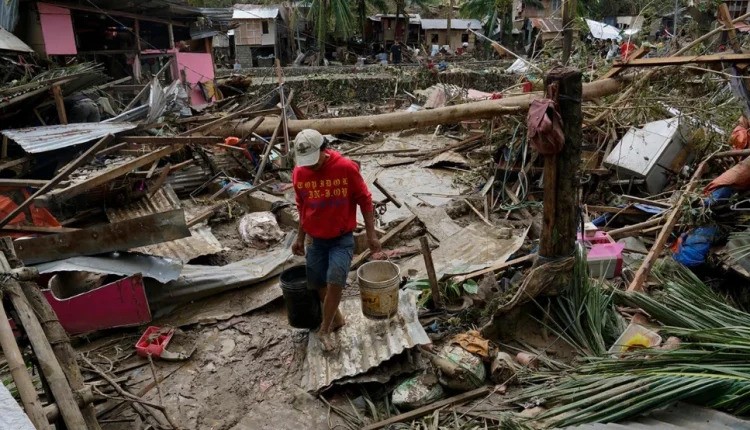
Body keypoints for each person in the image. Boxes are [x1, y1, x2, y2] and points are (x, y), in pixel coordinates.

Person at [291, 129, 382, 350]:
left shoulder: (345, 168)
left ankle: (325, 329)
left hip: (341, 238)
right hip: (316, 239)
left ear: (324, 149)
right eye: (306, 162)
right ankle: (337, 318)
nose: (310, 166)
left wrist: (371, 234)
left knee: (336, 280)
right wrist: (300, 238)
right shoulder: (299, 173)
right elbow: (303, 208)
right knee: (318, 282)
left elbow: (365, 200)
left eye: (314, 160)